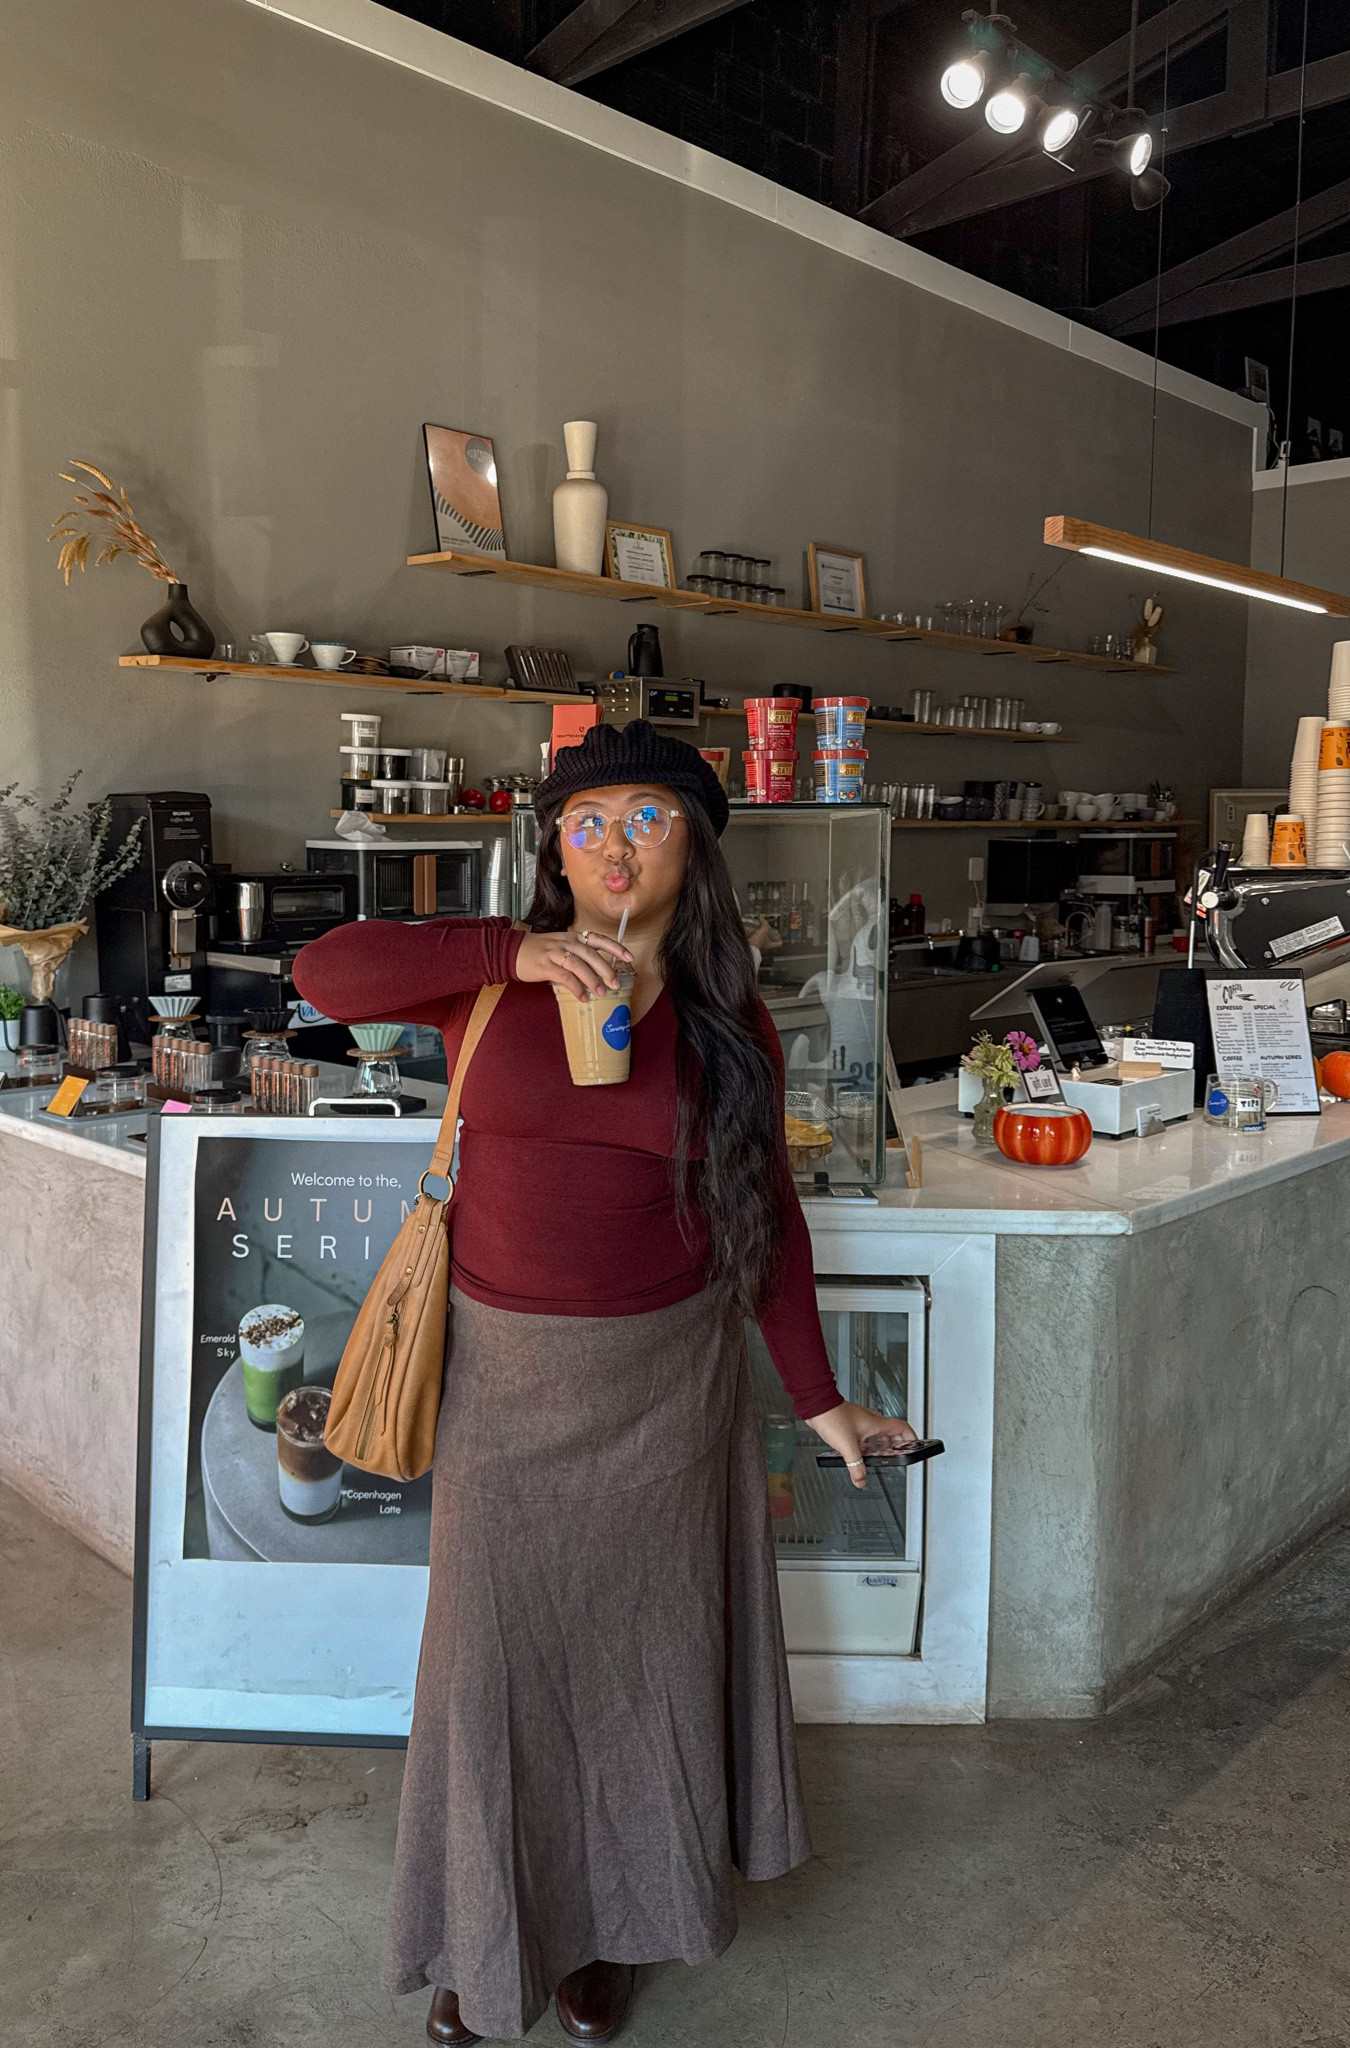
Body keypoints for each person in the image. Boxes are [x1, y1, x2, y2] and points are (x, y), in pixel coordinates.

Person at [294, 721, 917, 2045]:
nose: (616, 846)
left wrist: (821, 1401)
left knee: (644, 1670)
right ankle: (486, 1938)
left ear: (696, 847)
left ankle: (615, 1932)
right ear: (553, 852)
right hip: (502, 1386)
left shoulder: (727, 1020)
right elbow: (324, 973)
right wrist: (504, 952)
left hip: (665, 1391)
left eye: (648, 818)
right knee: (495, 1675)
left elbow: (768, 1222)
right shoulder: (487, 987)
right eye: (587, 822)